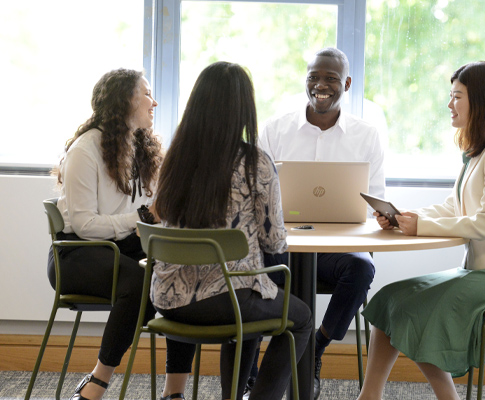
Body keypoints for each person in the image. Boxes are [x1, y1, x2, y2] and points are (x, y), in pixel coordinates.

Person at [356, 61, 485, 400]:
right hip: (481, 272)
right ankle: (369, 396)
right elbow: (455, 207)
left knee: (412, 312)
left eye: (457, 96)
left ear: (481, 101)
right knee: (389, 301)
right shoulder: (480, 150)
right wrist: (405, 219)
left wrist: (420, 226)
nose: (449, 104)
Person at [151, 61, 313, 400]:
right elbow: (274, 241)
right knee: (299, 317)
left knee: (257, 291)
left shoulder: (175, 159)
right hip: (226, 301)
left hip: (168, 299)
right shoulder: (254, 163)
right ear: (243, 109)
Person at [251, 47, 385, 400]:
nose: (320, 85)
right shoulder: (276, 130)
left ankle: (315, 349)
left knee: (362, 267)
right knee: (243, 269)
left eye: (331, 79)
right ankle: (253, 377)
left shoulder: (366, 135)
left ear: (348, 84)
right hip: (281, 249)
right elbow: (255, 197)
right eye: (313, 77)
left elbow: (373, 203)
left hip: (334, 252)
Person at [48, 68, 163, 400]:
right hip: (76, 256)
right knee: (142, 284)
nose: (153, 103)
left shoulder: (140, 146)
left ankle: (174, 390)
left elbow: (148, 211)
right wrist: (142, 216)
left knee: (176, 272)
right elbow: (85, 225)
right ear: (124, 101)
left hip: (117, 249)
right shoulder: (85, 150)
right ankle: (97, 382)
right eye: (146, 94)